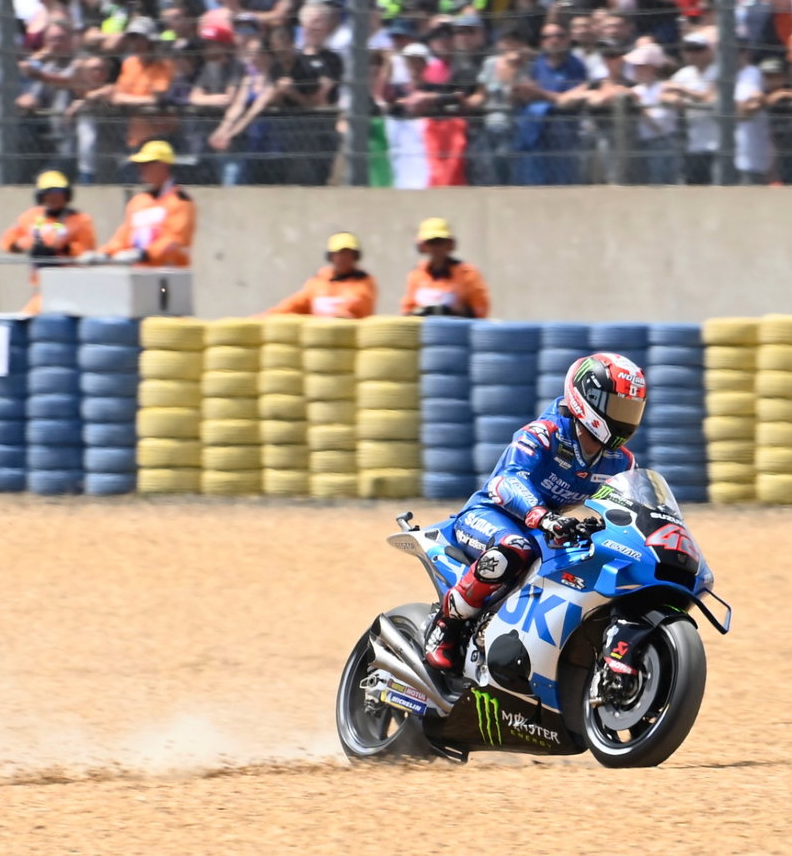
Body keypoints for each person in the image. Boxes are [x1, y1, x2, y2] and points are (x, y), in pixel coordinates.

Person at [423, 353, 649, 672]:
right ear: (588, 398)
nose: (625, 419)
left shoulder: (621, 462)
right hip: (491, 515)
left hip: (546, 529)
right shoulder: (545, 434)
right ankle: (447, 626)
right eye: (618, 408)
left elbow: (631, 504)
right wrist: (542, 516)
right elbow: (505, 480)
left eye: (632, 410)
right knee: (516, 549)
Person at [0, 170, 100, 313]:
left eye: (58, 192)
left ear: (67, 195)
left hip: (69, 286)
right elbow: (7, 241)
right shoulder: (32, 216)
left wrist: (63, 251)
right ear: (41, 196)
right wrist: (25, 244)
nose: (54, 197)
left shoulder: (80, 220)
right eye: (49, 192)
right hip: (40, 288)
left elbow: (86, 252)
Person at [92, 139, 195, 265]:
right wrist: (105, 253)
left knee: (163, 286)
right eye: (141, 164)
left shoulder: (180, 201)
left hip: (167, 276)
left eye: (148, 163)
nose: (142, 168)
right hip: (138, 274)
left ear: (164, 165)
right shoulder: (138, 202)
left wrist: (145, 254)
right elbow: (125, 235)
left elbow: (175, 239)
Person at [265, 231, 377, 318]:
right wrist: (265, 317)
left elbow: (360, 303)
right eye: (338, 253)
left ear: (355, 257)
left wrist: (339, 313)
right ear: (330, 256)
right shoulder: (318, 282)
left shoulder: (364, 282)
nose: (343, 258)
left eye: (348, 253)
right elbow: (294, 304)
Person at [399, 218, 489, 318]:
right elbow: (406, 311)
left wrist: (457, 312)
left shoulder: (467, 274)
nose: (436, 247)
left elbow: (480, 311)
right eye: (431, 242)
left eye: (440, 242)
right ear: (422, 246)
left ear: (450, 244)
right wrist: (420, 312)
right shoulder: (416, 275)